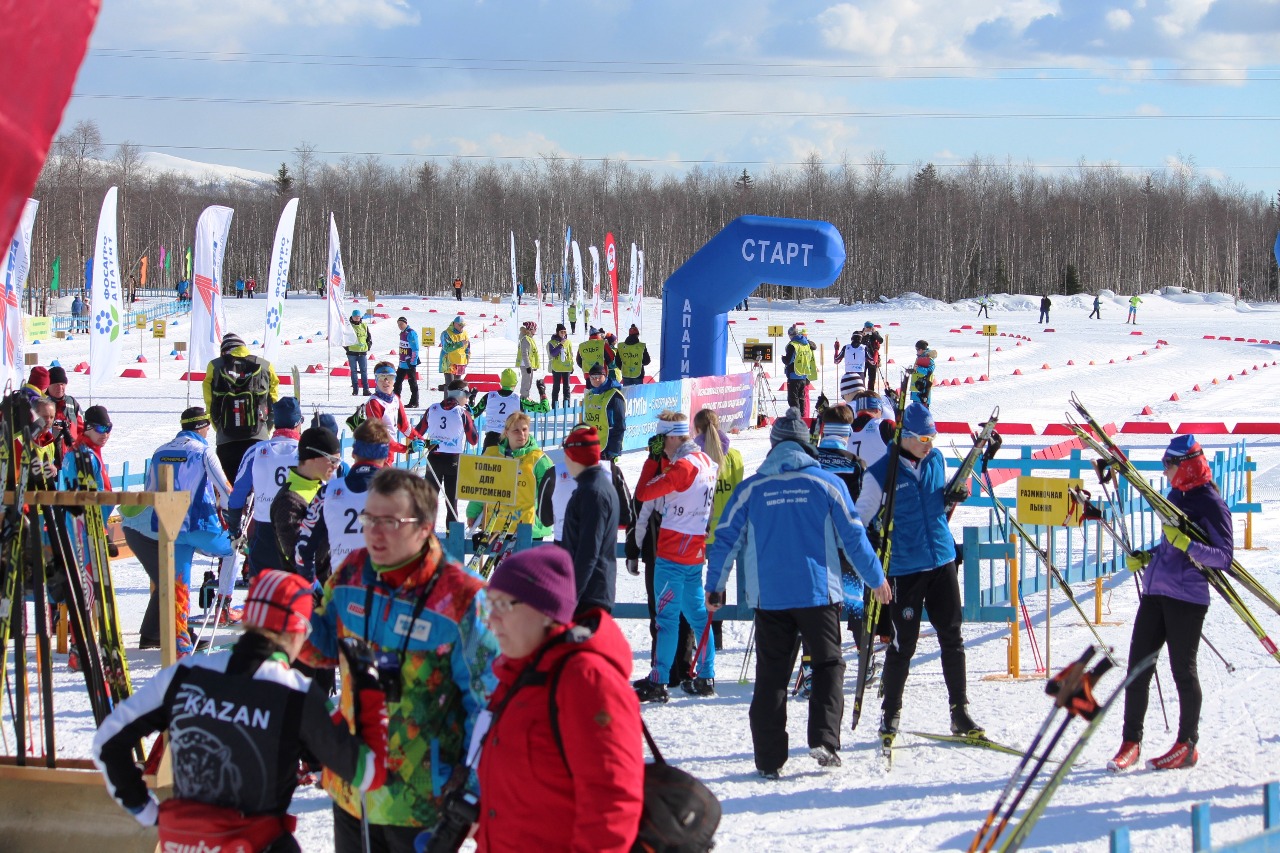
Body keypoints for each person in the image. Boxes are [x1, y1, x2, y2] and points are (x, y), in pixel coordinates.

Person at [92, 569, 389, 853]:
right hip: (260, 843)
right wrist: (369, 688)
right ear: (299, 630)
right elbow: (368, 773)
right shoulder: (296, 693)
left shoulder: (187, 672)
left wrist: (147, 812)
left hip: (185, 842)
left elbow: (107, 741)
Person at [300, 467, 499, 851]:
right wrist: (291, 617)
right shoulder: (353, 572)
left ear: (425, 528)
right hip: (352, 782)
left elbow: (489, 702)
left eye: (389, 521)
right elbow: (324, 650)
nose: (373, 531)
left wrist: (473, 791)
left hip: (422, 799)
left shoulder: (461, 597)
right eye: (369, 518)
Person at [705, 407, 890, 777]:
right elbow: (853, 537)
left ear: (774, 447)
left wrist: (715, 587)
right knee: (828, 664)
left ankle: (769, 759)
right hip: (817, 593)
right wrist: (875, 578)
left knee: (772, 674)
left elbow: (724, 540)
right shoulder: (827, 484)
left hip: (770, 597)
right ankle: (823, 739)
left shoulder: (752, 489)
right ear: (808, 446)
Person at [473, 545, 644, 852]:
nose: (491, 620)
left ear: (544, 611)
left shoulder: (586, 679)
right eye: (489, 605)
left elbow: (612, 803)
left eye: (502, 605)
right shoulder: (515, 674)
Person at [855, 403, 981, 747]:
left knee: (952, 636)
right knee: (903, 644)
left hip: (941, 558)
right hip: (905, 569)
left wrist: (955, 495)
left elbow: (937, 503)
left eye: (933, 436)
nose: (930, 443)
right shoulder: (881, 473)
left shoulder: (936, 460)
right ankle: (891, 713)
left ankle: (959, 711)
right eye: (924, 438)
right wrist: (871, 564)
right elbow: (857, 522)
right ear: (906, 437)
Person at [1108, 435, 1232, 772]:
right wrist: (1147, 556)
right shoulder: (1175, 496)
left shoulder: (1210, 503)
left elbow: (1224, 558)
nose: (1165, 472)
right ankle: (1130, 743)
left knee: (1182, 671)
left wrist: (1190, 546)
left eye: (1169, 465)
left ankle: (1186, 745)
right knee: (1138, 669)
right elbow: (1169, 548)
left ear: (1187, 465)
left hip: (1188, 598)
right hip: (1156, 592)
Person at [631, 412, 718, 702]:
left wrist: (651, 461)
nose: (661, 446)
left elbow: (644, 493)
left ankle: (659, 680)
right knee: (696, 615)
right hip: (693, 550)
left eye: (661, 440)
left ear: (670, 436)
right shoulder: (706, 461)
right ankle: (706, 675)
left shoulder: (682, 467)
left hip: (671, 551)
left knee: (666, 619)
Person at [142, 407, 237, 656]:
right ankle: (224, 605)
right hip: (199, 522)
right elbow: (226, 489)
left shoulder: (160, 451)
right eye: (207, 427)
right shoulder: (204, 450)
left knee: (178, 583)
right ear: (202, 427)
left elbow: (150, 489)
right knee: (234, 550)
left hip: (169, 523)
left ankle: (180, 642)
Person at [295, 420, 393, 586]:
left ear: (354, 454)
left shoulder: (327, 492)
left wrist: (314, 588)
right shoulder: (399, 492)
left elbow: (302, 550)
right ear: (385, 456)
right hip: (383, 594)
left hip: (341, 593)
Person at [229, 397, 303, 582]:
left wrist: (235, 529)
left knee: (263, 597)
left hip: (265, 532)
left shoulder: (256, 451)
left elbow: (237, 494)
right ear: (298, 423)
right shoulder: (309, 451)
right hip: (299, 530)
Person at [694, 407, 743, 654]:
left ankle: (699, 635)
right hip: (726, 532)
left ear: (697, 430)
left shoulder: (695, 457)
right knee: (718, 583)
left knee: (693, 585)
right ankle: (717, 634)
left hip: (699, 531)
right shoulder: (734, 457)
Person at [467, 411, 555, 545]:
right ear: (506, 432)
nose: (522, 434)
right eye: (516, 430)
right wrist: (473, 512)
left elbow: (550, 494)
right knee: (501, 566)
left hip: (528, 528)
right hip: (497, 526)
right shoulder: (492, 454)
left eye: (525, 429)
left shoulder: (539, 459)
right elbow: (482, 487)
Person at [204, 331, 281, 480]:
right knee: (258, 485)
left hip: (227, 438)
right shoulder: (265, 365)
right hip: (258, 435)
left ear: (224, 351)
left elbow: (210, 401)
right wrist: (267, 428)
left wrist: (219, 428)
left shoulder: (214, 366)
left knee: (230, 490)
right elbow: (273, 400)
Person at [560, 424, 620, 616]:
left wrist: (571, 596)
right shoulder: (594, 486)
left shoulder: (593, 492)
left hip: (590, 596)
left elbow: (588, 551)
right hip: (591, 591)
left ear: (574, 457)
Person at [269, 426, 343, 578]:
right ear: (314, 457)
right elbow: (299, 558)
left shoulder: (321, 488)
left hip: (330, 590)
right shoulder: (288, 501)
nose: (336, 466)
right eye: (333, 460)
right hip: (304, 595)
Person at [417, 379, 479, 523]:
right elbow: (474, 439)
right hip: (453, 461)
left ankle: (426, 533)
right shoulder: (462, 412)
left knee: (429, 501)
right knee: (452, 502)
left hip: (433, 458)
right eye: (467, 396)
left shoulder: (432, 408)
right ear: (461, 394)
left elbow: (417, 432)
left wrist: (429, 441)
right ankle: (451, 535)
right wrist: (472, 419)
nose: (468, 399)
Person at [473, 368, 549, 450]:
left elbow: (472, 414)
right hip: (510, 440)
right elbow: (544, 408)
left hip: (491, 440)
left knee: (489, 462)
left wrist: (471, 399)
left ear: (501, 382)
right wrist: (542, 392)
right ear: (515, 383)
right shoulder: (519, 398)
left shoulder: (489, 396)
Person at [361, 361, 419, 460]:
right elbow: (380, 437)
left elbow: (404, 426)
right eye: (381, 377)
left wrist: (422, 441)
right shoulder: (374, 403)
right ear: (376, 380)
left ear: (395, 379)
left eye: (390, 377)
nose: (386, 381)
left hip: (390, 455)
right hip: (376, 456)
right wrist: (406, 449)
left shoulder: (395, 399)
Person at [583, 362, 626, 462]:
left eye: (598, 376)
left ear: (605, 376)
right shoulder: (590, 395)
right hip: (592, 445)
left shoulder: (614, 395)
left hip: (608, 445)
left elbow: (620, 424)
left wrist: (615, 450)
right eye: (593, 377)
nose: (596, 380)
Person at [848, 390, 896, 468]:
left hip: (853, 479)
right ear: (878, 409)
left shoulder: (846, 428)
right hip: (880, 478)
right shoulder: (886, 425)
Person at [44, 364, 85, 454]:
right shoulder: (42, 403)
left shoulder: (72, 402)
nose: (59, 388)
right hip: (49, 457)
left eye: (62, 384)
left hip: (71, 455)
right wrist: (50, 430)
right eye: (55, 385)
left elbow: (82, 428)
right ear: (48, 386)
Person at [782, 323, 817, 416]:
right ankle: (802, 418)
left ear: (790, 335)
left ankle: (796, 418)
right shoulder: (805, 343)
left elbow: (789, 360)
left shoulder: (793, 345)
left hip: (794, 375)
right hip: (804, 375)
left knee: (793, 399)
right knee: (801, 399)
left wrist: (783, 359)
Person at [394, 317, 420, 408]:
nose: (400, 326)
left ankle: (414, 402)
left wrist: (413, 361)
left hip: (410, 363)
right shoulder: (402, 333)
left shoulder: (411, 333)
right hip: (402, 363)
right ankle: (395, 401)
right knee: (397, 382)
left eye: (401, 324)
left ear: (406, 323)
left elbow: (415, 348)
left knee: (412, 383)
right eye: (398, 324)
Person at [547, 324, 575, 409]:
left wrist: (572, 365)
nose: (563, 334)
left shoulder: (568, 342)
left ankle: (567, 405)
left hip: (566, 367)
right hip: (557, 368)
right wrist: (560, 345)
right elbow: (553, 354)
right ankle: (555, 406)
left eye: (564, 332)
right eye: (561, 332)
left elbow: (570, 354)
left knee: (566, 388)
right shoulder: (552, 342)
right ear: (557, 332)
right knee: (556, 387)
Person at [346, 310, 372, 396]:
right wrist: (347, 348)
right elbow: (344, 339)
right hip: (352, 352)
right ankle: (355, 389)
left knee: (364, 371)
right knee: (353, 371)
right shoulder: (349, 326)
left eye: (358, 316)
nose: (357, 318)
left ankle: (366, 389)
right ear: (352, 317)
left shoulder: (364, 325)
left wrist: (368, 346)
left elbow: (368, 337)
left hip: (362, 352)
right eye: (355, 316)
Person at [439, 315, 470, 381]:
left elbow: (467, 348)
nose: (462, 327)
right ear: (454, 324)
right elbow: (446, 348)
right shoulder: (446, 334)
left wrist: (467, 358)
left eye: (463, 325)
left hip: (460, 362)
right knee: (450, 385)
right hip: (449, 362)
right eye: (460, 325)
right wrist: (460, 344)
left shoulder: (465, 333)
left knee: (457, 386)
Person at [516, 320, 541, 398]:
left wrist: (534, 365)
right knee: (526, 383)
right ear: (531, 329)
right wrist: (528, 366)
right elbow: (524, 353)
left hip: (528, 365)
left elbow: (533, 353)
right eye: (535, 329)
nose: (535, 330)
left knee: (528, 383)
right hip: (525, 365)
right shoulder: (526, 339)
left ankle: (526, 397)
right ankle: (524, 398)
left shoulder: (530, 338)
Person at [910, 340, 936, 407]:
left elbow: (929, 371)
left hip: (923, 391)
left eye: (917, 349)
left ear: (921, 349)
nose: (916, 351)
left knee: (923, 414)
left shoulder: (929, 359)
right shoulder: (919, 358)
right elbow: (917, 371)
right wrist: (912, 371)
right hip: (916, 390)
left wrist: (918, 368)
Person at [860, 321, 884, 392]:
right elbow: (856, 341)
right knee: (862, 377)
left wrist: (874, 333)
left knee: (872, 378)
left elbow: (881, 340)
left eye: (870, 327)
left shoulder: (875, 334)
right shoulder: (861, 333)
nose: (868, 329)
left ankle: (870, 392)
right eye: (867, 327)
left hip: (873, 358)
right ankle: (862, 391)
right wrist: (863, 335)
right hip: (863, 359)